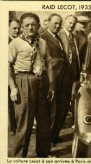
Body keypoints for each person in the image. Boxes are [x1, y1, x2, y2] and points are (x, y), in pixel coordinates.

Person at [8, 12, 55, 157]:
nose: (30, 28)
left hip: (42, 82)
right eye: (27, 25)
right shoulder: (15, 43)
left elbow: (49, 63)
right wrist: (13, 88)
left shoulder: (42, 42)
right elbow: (7, 66)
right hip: (24, 81)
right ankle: (18, 157)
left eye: (33, 25)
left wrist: (52, 85)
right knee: (25, 123)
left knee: (43, 121)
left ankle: (43, 154)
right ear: (22, 27)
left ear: (38, 26)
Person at [40, 13, 71, 144]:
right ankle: (47, 139)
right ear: (48, 22)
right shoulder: (43, 36)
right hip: (51, 77)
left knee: (62, 107)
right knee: (51, 109)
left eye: (59, 23)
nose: (57, 26)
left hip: (63, 77)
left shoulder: (59, 36)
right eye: (55, 23)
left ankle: (54, 135)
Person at [56, 14, 80, 140]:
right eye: (69, 22)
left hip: (72, 76)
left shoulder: (74, 37)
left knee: (65, 107)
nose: (71, 25)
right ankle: (52, 136)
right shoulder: (59, 35)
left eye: (73, 23)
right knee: (59, 107)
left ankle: (55, 134)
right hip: (61, 76)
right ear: (65, 22)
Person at [8, 19, 21, 136]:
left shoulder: (20, 41)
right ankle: (13, 128)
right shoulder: (6, 41)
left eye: (18, 28)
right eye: (14, 28)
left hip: (17, 76)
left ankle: (16, 126)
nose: (17, 30)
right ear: (8, 27)